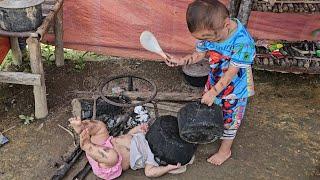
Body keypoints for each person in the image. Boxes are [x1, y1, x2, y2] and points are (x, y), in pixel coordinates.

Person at [164, 0, 255, 166]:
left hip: (235, 89)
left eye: (207, 37)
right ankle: (211, 129)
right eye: (200, 38)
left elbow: (230, 75)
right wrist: (181, 60)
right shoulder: (210, 30)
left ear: (226, 24)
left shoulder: (243, 42)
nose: (205, 41)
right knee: (211, 109)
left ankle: (225, 150)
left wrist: (214, 92)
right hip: (214, 80)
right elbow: (199, 54)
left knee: (230, 120)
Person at [69, 117, 182, 180]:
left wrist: (168, 168)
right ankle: (82, 127)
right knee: (101, 127)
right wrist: (139, 129)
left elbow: (150, 173)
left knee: (113, 156)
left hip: (107, 162)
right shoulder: (146, 136)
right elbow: (129, 134)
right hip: (105, 143)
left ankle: (85, 145)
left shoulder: (152, 157)